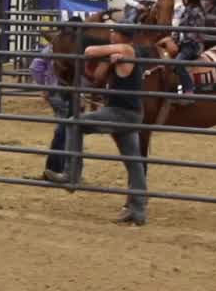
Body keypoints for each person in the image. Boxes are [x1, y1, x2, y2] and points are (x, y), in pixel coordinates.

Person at [44, 25, 148, 226]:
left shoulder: (127, 50)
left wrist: (108, 52)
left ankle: (71, 174)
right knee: (133, 162)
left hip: (120, 113)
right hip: (128, 113)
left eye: (113, 33)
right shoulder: (123, 53)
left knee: (74, 123)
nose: (110, 34)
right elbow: (97, 78)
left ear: (120, 36)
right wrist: (109, 62)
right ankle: (138, 210)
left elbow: (89, 51)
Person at [160, 0, 207, 96]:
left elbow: (193, 33)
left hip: (192, 46)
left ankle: (188, 89)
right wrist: (172, 39)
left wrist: (178, 42)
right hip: (185, 43)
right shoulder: (188, 9)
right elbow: (180, 29)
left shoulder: (196, 12)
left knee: (177, 63)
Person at [31, 40, 71, 177]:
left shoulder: (52, 47)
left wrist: (44, 86)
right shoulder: (74, 47)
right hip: (65, 92)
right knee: (66, 130)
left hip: (54, 92)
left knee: (64, 128)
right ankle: (59, 169)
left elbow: (36, 66)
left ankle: (58, 168)